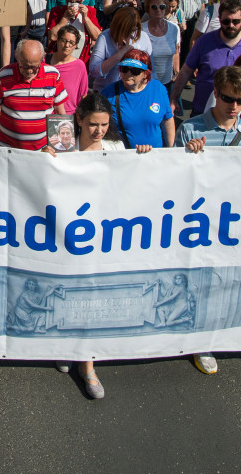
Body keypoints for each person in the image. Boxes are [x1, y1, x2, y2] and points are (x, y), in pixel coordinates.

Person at [52, 91, 151, 399]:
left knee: (92, 290)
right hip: (66, 230)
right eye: (92, 124)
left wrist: (143, 156)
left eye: (104, 124)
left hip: (102, 233)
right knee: (66, 287)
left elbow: (127, 185)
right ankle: (66, 345)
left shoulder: (116, 147)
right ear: (78, 120)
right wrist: (44, 159)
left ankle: (88, 364)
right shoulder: (62, 145)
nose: (98, 131)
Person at [174, 64, 241, 375]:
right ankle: (197, 339)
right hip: (198, 221)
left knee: (225, 281)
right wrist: (188, 156)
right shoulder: (191, 129)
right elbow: (171, 177)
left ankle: (212, 334)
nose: (234, 107)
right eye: (228, 99)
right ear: (215, 94)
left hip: (233, 223)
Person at [172, 0, 241, 117]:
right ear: (219, 19)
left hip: (238, 114)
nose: (231, 25)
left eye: (236, 21)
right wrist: (174, 98)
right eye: (226, 21)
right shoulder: (204, 41)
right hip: (203, 111)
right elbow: (186, 71)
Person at [0, 40, 68, 150]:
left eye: (34, 67)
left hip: (42, 150)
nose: (29, 71)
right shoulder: (4, 76)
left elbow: (60, 113)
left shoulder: (53, 75)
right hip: (7, 149)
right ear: (17, 56)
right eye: (24, 66)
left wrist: (62, 146)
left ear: (42, 58)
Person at [101, 49, 173, 150]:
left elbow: (167, 120)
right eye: (124, 69)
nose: (128, 74)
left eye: (135, 71)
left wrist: (172, 149)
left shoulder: (158, 88)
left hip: (154, 156)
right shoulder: (109, 93)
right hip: (124, 157)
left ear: (145, 73)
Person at [141, 0, 180, 87]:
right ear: (148, 9)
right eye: (154, 7)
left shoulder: (174, 28)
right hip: (147, 82)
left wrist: (177, 72)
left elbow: (176, 52)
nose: (158, 10)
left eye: (162, 7)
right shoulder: (141, 29)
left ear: (166, 9)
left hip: (168, 82)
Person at [48, 25, 88, 115]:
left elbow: (83, 95)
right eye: (64, 41)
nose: (67, 45)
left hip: (70, 115)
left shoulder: (80, 66)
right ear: (57, 40)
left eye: (71, 43)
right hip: (48, 113)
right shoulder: (45, 61)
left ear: (75, 46)